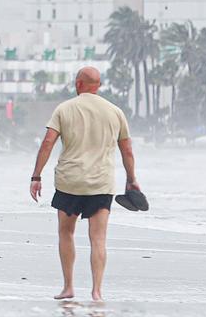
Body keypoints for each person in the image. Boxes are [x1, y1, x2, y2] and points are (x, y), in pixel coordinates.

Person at [29, 65, 140, 303]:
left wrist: (36, 176)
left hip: (70, 182)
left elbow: (48, 142)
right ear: (98, 86)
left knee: (66, 233)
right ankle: (97, 291)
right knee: (98, 238)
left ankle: (68, 287)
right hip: (101, 183)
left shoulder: (64, 109)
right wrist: (132, 180)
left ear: (78, 84)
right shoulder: (115, 112)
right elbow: (127, 150)